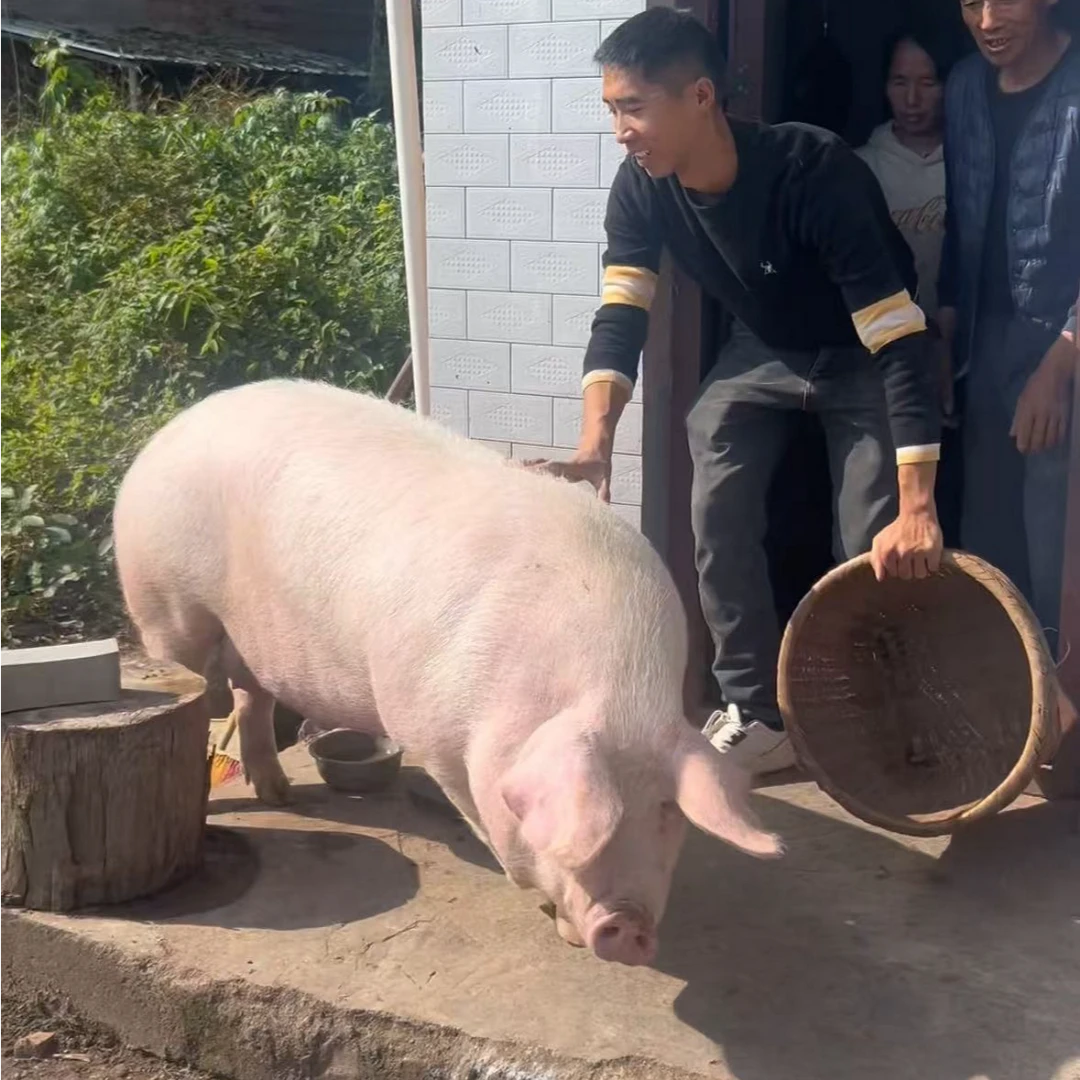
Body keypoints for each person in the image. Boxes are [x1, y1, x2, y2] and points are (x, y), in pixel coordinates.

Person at [529, 7, 944, 774]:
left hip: (861, 347)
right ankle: (755, 711)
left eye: (634, 107)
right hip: (766, 349)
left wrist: (918, 505)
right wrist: (595, 444)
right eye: (612, 109)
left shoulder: (810, 170)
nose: (621, 129)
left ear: (700, 98)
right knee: (714, 488)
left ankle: (882, 711)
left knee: (869, 541)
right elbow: (622, 312)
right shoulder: (642, 188)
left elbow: (899, 334)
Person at [937, 0, 1080, 652]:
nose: (988, 19)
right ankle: (1000, 694)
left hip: (1060, 340)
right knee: (986, 529)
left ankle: (1062, 699)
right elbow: (958, 221)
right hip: (981, 339)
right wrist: (945, 334)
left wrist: (1060, 361)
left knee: (1054, 537)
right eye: (971, 3)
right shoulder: (966, 83)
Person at [856, 23, 963, 544]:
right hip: (887, 360)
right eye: (900, 82)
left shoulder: (971, 162)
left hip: (962, 353)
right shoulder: (862, 166)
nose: (914, 99)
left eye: (929, 82)